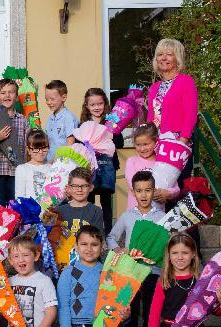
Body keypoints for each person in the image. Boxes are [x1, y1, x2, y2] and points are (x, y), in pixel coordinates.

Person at [106, 171, 166, 327]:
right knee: (130, 312)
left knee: (151, 312)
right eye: (139, 191)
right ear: (133, 192)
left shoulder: (162, 217)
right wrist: (119, 250)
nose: (144, 195)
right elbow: (111, 237)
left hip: (153, 272)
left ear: (154, 191)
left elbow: (168, 243)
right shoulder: (126, 216)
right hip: (130, 272)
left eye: (148, 190)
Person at [72, 88, 124, 234]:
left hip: (107, 167)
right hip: (90, 170)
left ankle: (108, 233)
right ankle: (90, 232)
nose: (97, 107)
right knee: (90, 200)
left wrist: (113, 135)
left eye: (100, 104)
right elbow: (78, 144)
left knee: (106, 201)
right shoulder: (83, 124)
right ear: (87, 106)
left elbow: (119, 143)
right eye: (93, 104)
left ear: (105, 104)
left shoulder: (111, 122)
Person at [147, 38, 198, 184]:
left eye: (169, 54)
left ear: (178, 58)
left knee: (175, 191)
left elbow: (190, 113)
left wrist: (182, 142)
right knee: (157, 190)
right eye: (160, 54)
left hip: (177, 144)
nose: (163, 58)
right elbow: (152, 117)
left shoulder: (185, 81)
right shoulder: (154, 87)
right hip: (158, 145)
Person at [124, 122, 178, 212]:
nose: (142, 149)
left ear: (156, 142)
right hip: (135, 214)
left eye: (146, 144)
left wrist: (168, 193)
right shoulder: (131, 162)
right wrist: (153, 192)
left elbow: (176, 188)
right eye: (138, 145)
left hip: (157, 215)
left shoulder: (163, 163)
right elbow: (132, 184)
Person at [54, 166, 105, 243]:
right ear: (68, 188)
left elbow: (97, 240)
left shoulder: (96, 211)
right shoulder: (59, 211)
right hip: (63, 254)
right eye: (75, 186)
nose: (79, 190)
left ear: (91, 187)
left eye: (84, 186)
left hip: (87, 253)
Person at [43, 80, 79, 162]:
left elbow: (70, 144)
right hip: (49, 162)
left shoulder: (68, 117)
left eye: (52, 99)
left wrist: (58, 161)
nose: (49, 102)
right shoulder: (50, 119)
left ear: (63, 98)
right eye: (46, 99)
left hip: (63, 164)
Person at [14, 129, 52, 200]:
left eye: (44, 148)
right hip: (29, 210)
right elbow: (19, 197)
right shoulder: (22, 169)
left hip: (50, 210)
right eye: (36, 148)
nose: (40, 152)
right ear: (28, 150)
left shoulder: (52, 168)